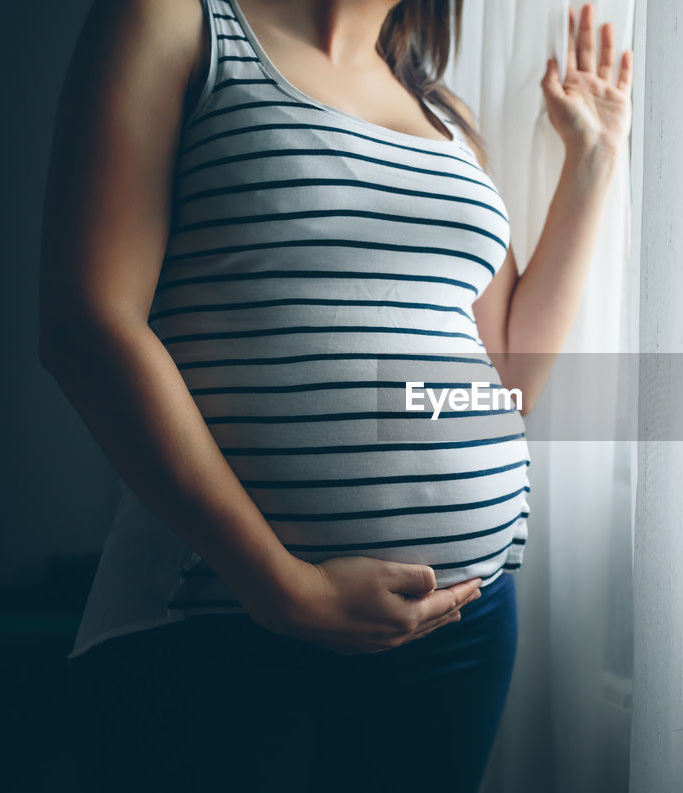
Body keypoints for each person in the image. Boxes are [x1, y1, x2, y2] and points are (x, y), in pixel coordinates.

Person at [36, 0, 632, 789]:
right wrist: (285, 587)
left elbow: (505, 377)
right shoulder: (177, 21)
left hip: (459, 626)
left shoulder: (438, 114)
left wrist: (591, 162)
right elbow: (88, 322)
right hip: (220, 619)